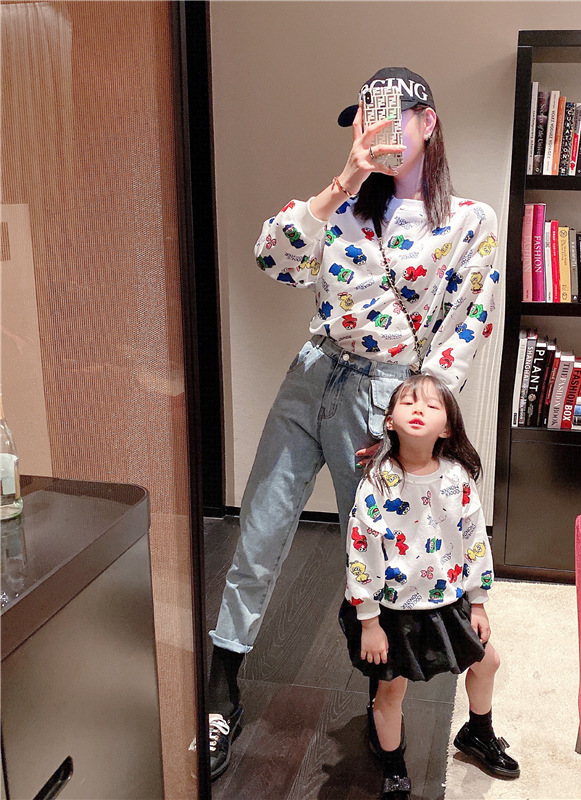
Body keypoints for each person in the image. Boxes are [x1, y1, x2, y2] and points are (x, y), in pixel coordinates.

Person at [206, 67, 501, 780]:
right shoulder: (341, 206)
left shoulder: (469, 221)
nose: (378, 130)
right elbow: (273, 258)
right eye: (366, 118)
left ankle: (382, 701)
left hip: (382, 395)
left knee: (372, 542)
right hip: (312, 374)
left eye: (393, 116)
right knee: (261, 527)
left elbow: (468, 324)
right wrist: (342, 181)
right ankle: (221, 689)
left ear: (428, 122)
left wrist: (420, 417)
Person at [339, 373, 520, 800]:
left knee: (488, 662)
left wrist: (478, 602)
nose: (418, 409)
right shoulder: (377, 481)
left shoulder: (458, 478)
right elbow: (361, 550)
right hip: (392, 610)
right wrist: (368, 621)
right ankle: (393, 768)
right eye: (407, 402)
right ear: (389, 421)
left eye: (431, 405)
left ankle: (478, 733)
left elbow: (474, 539)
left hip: (448, 602)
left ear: (447, 428)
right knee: (390, 691)